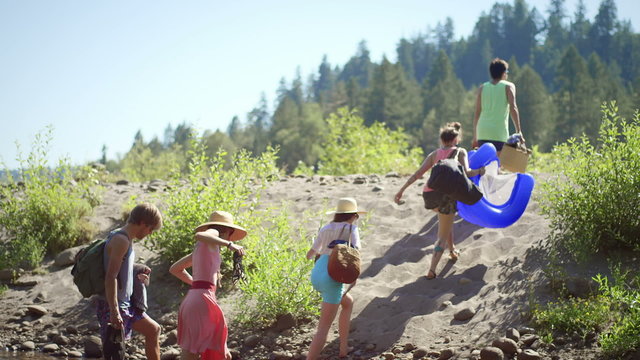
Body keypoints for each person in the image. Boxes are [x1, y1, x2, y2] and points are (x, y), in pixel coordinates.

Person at [394, 123, 484, 279]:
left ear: (442, 140)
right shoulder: (460, 151)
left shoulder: (434, 154)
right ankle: (432, 269)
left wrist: (401, 190)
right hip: (446, 197)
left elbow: (417, 174)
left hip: (429, 195)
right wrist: (481, 171)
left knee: (445, 222)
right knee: (441, 235)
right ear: (456, 139)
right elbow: (468, 173)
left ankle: (452, 250)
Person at [169, 211, 247, 360]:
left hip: (196, 297)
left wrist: (197, 285)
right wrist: (229, 244)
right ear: (227, 231)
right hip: (201, 300)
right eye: (230, 234)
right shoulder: (213, 233)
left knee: (220, 354)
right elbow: (200, 235)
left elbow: (175, 269)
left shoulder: (204, 249)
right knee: (195, 354)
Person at [98, 202, 163, 360]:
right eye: (150, 229)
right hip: (115, 304)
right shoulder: (121, 240)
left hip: (123, 303)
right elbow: (110, 276)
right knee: (114, 352)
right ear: (142, 223)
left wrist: (136, 271)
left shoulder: (123, 237)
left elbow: (119, 267)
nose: (150, 233)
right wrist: (114, 312)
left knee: (153, 330)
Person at [305, 197, 365, 359]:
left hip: (318, 273)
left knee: (347, 302)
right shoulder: (351, 229)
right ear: (353, 215)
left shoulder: (325, 228)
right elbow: (356, 250)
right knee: (323, 329)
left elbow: (310, 255)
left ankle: (343, 348)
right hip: (334, 274)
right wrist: (353, 273)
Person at [472, 58, 525, 154]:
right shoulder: (509, 86)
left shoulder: (482, 88)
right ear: (504, 73)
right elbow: (513, 108)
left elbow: (477, 113)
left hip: (482, 132)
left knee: (484, 165)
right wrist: (519, 131)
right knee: (498, 164)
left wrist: (475, 136)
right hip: (499, 133)